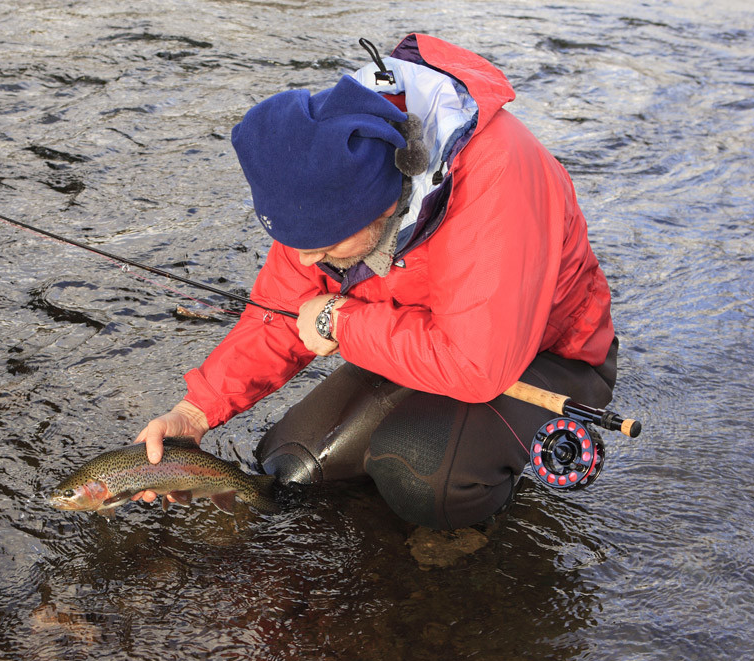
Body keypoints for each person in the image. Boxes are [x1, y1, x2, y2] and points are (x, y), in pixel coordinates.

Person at [134, 33, 617, 530]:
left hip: (544, 356)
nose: (303, 258)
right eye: (297, 243)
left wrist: (336, 320)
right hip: (410, 341)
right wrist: (194, 413)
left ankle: (471, 528)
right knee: (289, 466)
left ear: (385, 206)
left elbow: (477, 366)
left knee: (422, 476)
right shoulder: (322, 174)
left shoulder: (496, 173)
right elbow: (278, 313)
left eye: (322, 247)